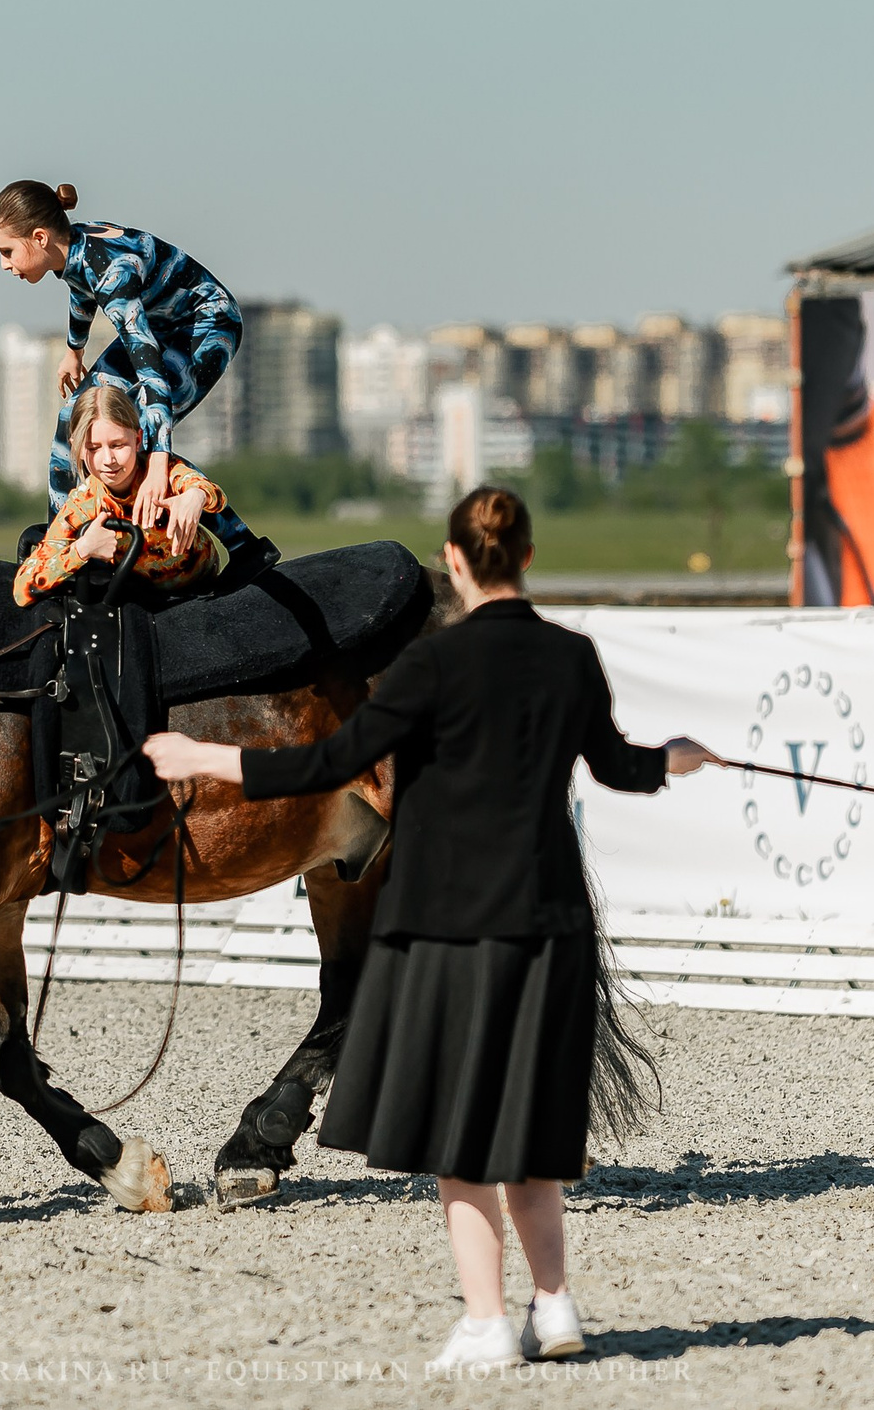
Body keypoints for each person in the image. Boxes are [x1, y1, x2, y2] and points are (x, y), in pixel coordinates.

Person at [143, 487, 712, 1369]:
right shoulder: (573, 657)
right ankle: (554, 1306)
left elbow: (326, 761)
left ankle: (488, 1321)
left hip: (452, 924)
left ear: (454, 561)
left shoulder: (432, 665)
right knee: (527, 1130)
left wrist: (202, 756)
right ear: (525, 557)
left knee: (461, 1141)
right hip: (551, 923)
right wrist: (678, 757)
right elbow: (621, 767)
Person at [0, 179, 271, 570]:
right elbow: (81, 289)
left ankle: (245, 546)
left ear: (38, 237)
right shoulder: (74, 248)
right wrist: (74, 349)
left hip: (205, 325)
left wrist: (156, 463)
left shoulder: (111, 270)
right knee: (74, 417)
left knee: (129, 432)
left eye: (7, 251)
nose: (3, 264)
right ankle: (59, 538)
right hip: (162, 324)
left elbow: (152, 375)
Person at [14, 384, 227, 607]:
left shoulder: (157, 474)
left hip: (202, 584)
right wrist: (82, 549)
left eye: (117, 445)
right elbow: (22, 591)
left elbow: (208, 490)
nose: (108, 460)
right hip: (144, 602)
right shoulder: (82, 504)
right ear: (76, 446)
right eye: (93, 448)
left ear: (137, 440)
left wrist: (196, 496)